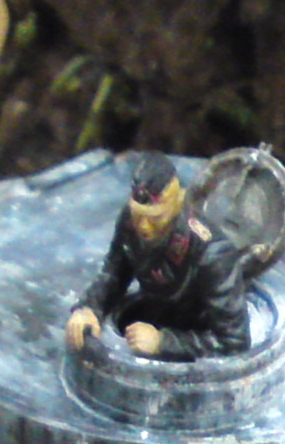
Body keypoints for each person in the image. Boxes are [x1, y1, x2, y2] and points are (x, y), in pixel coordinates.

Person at [63, 151, 253, 361]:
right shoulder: (130, 222)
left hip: (195, 338)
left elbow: (234, 344)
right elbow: (115, 272)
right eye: (139, 215)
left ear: (176, 205)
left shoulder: (213, 254)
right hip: (153, 316)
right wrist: (89, 308)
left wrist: (164, 342)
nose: (144, 227)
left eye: (155, 217)